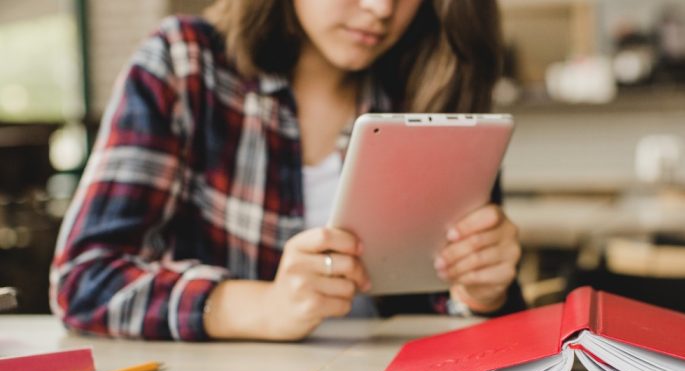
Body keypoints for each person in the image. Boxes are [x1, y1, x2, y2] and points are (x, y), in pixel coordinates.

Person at [50, 0, 525, 342]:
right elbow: (83, 282)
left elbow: (456, 311)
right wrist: (259, 307)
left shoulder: (432, 88)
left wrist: (481, 291)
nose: (382, 8)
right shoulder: (184, 65)